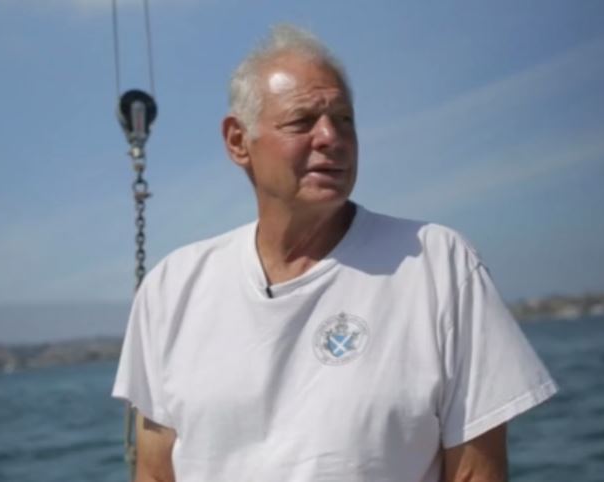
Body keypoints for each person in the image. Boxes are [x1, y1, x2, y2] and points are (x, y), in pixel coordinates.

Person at [113, 24, 557, 482]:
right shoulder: (172, 289)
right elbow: (155, 473)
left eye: (344, 119)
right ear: (238, 141)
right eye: (302, 121)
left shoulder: (439, 265)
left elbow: (476, 474)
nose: (331, 136)